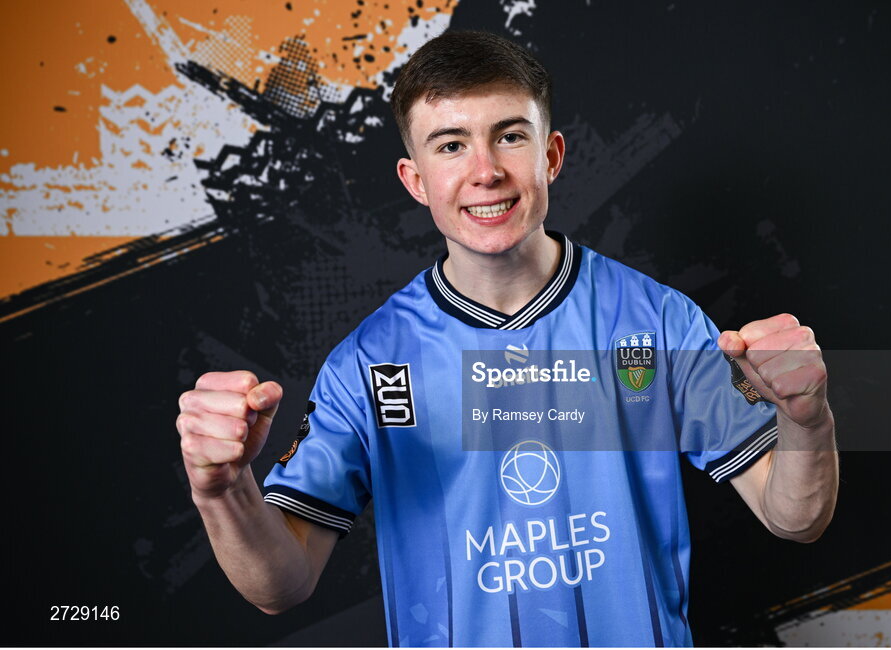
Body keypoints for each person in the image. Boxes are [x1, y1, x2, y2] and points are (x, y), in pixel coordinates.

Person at [176, 30, 838, 646]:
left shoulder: (656, 322)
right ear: (416, 180)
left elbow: (795, 517)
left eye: (509, 136)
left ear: (550, 156)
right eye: (450, 144)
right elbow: (281, 584)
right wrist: (223, 491)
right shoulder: (368, 363)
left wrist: (807, 423)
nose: (484, 170)